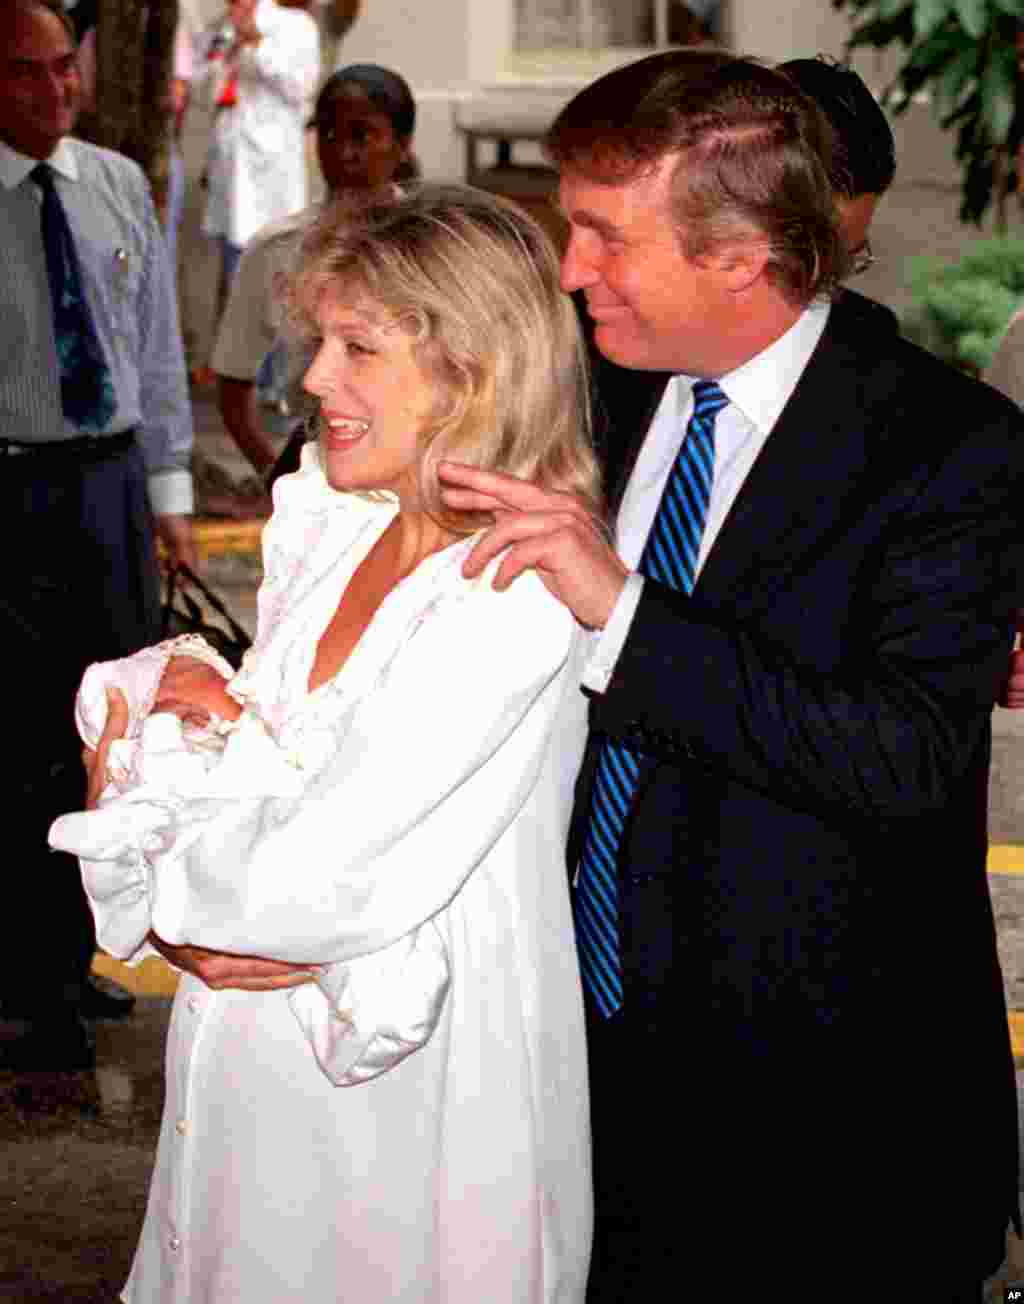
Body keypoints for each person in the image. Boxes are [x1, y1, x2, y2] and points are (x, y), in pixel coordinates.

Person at [439, 51, 1023, 1303]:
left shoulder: (945, 449)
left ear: (740, 257)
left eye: (602, 234)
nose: (569, 268)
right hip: (573, 1077)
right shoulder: (594, 389)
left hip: (825, 1129)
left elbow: (900, 754)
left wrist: (622, 611)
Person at [51, 185, 596, 1302]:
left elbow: (301, 877)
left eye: (358, 347)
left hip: (409, 1115)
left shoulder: (510, 590)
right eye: (321, 342)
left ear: (473, 368)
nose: (311, 381)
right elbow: (230, 774)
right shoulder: (338, 521)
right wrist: (183, 786)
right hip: (249, 1079)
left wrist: (163, 827)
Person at [0, 0, 194, 1071]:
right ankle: (20, 976)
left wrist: (168, 498)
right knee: (17, 734)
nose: (54, 92)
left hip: (108, 488)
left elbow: (155, 350)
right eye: (26, 75)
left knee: (109, 730)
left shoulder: (116, 183)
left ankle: (75, 955)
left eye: (62, 71)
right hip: (10, 486)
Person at [212, 63, 417, 487]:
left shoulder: (435, 247)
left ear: (401, 144)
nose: (342, 152)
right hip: (319, 472)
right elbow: (233, 383)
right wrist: (278, 477)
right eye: (327, 134)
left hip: (417, 473)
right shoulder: (276, 251)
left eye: (362, 135)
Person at [194, 0, 319, 349]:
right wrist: (228, 55)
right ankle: (237, 368)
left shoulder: (296, 26)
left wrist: (256, 44)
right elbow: (202, 91)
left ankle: (273, 378)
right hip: (230, 167)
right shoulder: (221, 28)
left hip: (270, 176)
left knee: (277, 272)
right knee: (234, 270)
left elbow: (300, 87)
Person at [780, 55, 898, 329]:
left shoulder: (869, 338)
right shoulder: (666, 350)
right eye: (805, 258)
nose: (818, 293)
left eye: (844, 262)